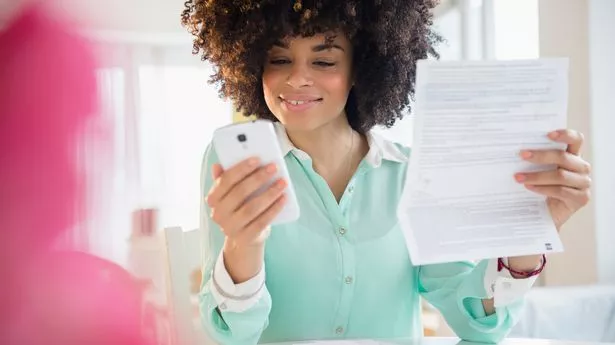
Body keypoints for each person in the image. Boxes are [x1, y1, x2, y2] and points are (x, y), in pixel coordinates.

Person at [181, 1, 592, 344]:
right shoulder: (235, 163)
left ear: (362, 67)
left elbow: (476, 325)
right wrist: (244, 242)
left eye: (323, 60)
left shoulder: (412, 172)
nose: (297, 78)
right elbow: (232, 335)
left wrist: (527, 233)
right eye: (279, 58)